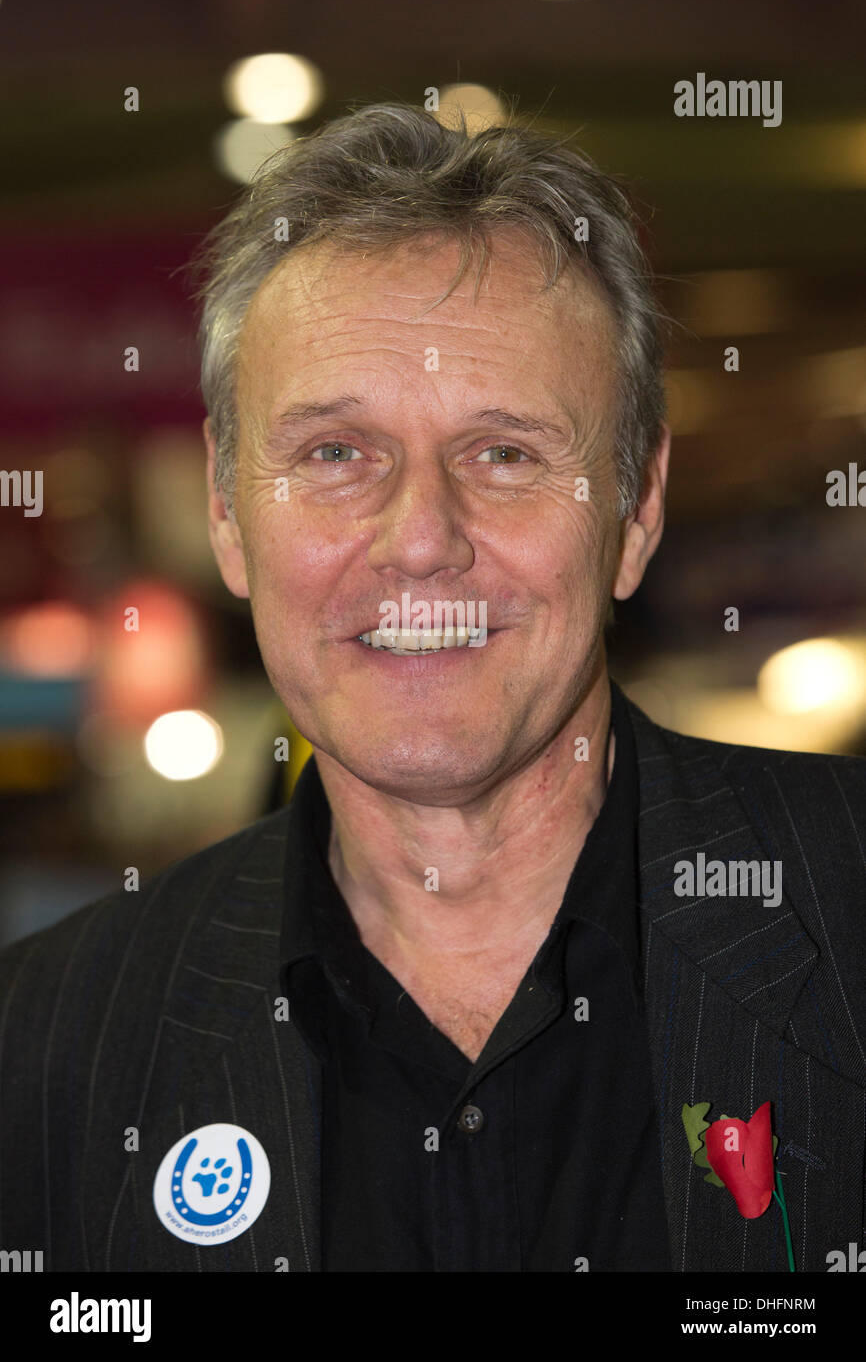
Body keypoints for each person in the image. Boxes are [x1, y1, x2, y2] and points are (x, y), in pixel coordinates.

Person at [1, 104, 864, 1274]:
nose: (418, 540)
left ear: (635, 508)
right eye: (335, 454)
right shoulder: (44, 1042)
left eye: (502, 452)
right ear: (226, 511)